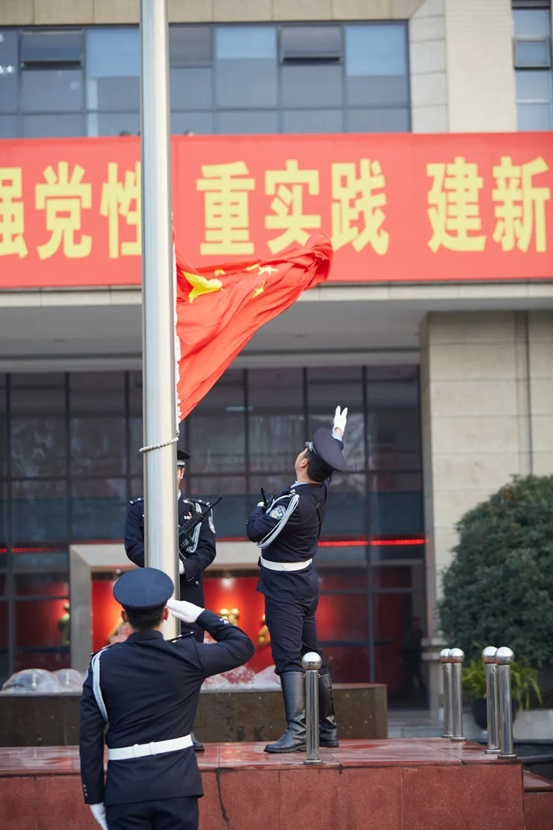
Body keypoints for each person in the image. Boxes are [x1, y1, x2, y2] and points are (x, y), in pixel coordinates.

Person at [80, 567, 255, 830]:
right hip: (177, 785)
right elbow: (243, 645)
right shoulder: (188, 655)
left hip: (125, 787)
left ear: (124, 617)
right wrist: (200, 614)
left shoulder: (102, 663)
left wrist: (93, 795)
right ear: (165, 614)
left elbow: (89, 736)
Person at [246, 406, 348, 753]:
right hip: (305, 581)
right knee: (311, 653)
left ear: (304, 462)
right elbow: (330, 461)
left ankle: (298, 731)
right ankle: (328, 729)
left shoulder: (294, 502)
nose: (302, 452)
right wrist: (336, 435)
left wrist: (260, 508)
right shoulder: (320, 487)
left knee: (288, 658)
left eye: (305, 451)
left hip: (285, 589)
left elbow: (256, 532)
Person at [125, 450, 216, 751]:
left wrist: (183, 567)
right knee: (153, 662)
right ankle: (158, 730)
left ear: (181, 473)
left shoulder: (198, 509)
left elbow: (207, 550)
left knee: (188, 664)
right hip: (154, 594)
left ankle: (185, 730)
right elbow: (133, 546)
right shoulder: (139, 509)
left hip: (188, 592)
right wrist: (161, 563)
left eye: (173, 469)